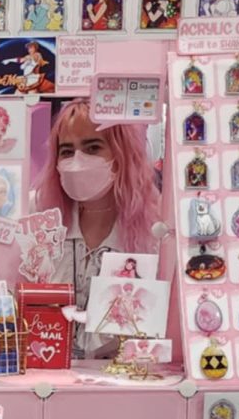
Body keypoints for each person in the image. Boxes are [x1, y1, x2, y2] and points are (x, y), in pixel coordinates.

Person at [32, 100, 161, 358]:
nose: (77, 161)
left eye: (93, 147)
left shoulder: (156, 228)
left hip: (126, 374)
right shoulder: (39, 218)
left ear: (121, 153)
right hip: (48, 370)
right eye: (67, 151)